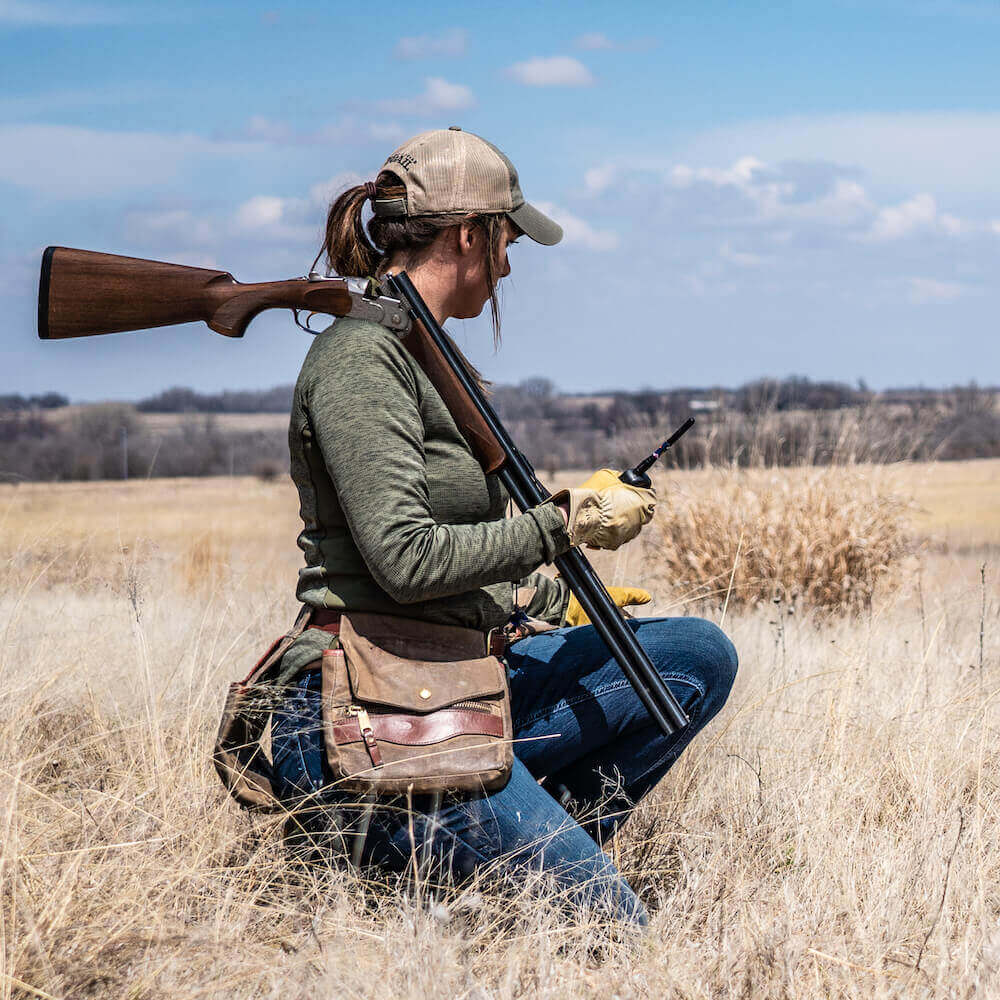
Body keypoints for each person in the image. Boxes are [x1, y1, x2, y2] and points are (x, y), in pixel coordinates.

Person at [268, 128, 737, 926]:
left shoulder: (422, 349)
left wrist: (550, 605)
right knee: (615, 934)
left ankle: (514, 867)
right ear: (466, 235)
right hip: (371, 707)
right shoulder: (362, 358)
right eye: (507, 239)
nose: (511, 264)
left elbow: (457, 555)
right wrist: (564, 523)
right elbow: (406, 562)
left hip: (452, 669)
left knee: (696, 657)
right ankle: (524, 884)